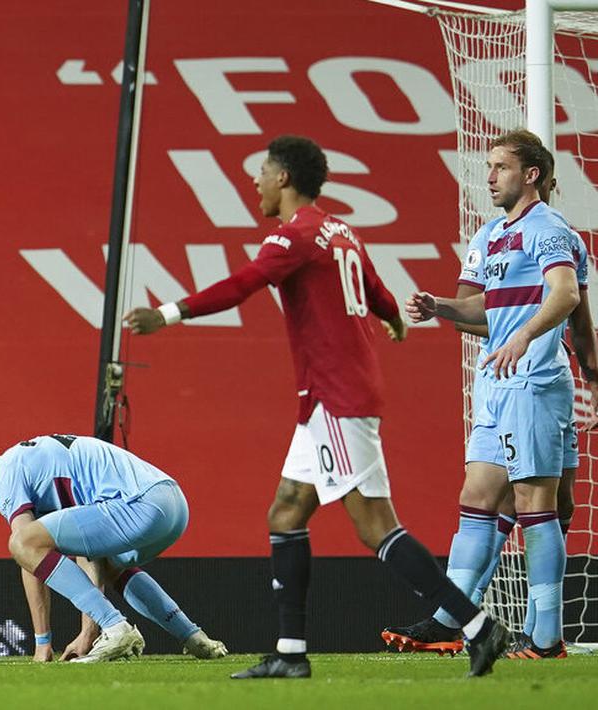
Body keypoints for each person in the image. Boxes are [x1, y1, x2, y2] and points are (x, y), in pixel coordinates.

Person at [123, 135, 510, 678]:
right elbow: (375, 286)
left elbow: (243, 285)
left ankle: (477, 628)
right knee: (285, 512)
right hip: (332, 399)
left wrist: (166, 313)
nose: (254, 181)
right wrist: (393, 318)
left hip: (337, 398)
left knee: (376, 528)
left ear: (283, 178)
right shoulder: (340, 230)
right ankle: (290, 653)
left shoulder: (296, 235)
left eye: (261, 171)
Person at [384, 132, 588, 660]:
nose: (489, 176)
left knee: (535, 505)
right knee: (477, 497)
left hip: (533, 381)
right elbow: (482, 314)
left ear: (532, 174)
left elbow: (565, 296)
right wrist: (441, 308)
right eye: (489, 166)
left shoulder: (547, 230)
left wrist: (527, 335)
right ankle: (452, 618)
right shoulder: (490, 235)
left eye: (500, 167)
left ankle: (545, 637)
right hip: (496, 382)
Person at [0, 431, 228, 663]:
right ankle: (192, 636)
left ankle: (116, 627)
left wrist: (43, 643)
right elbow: (90, 557)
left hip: (142, 505)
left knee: (22, 542)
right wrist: (87, 633)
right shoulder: (26, 462)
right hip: (173, 505)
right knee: (109, 564)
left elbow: (28, 557)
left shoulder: (7, 475)